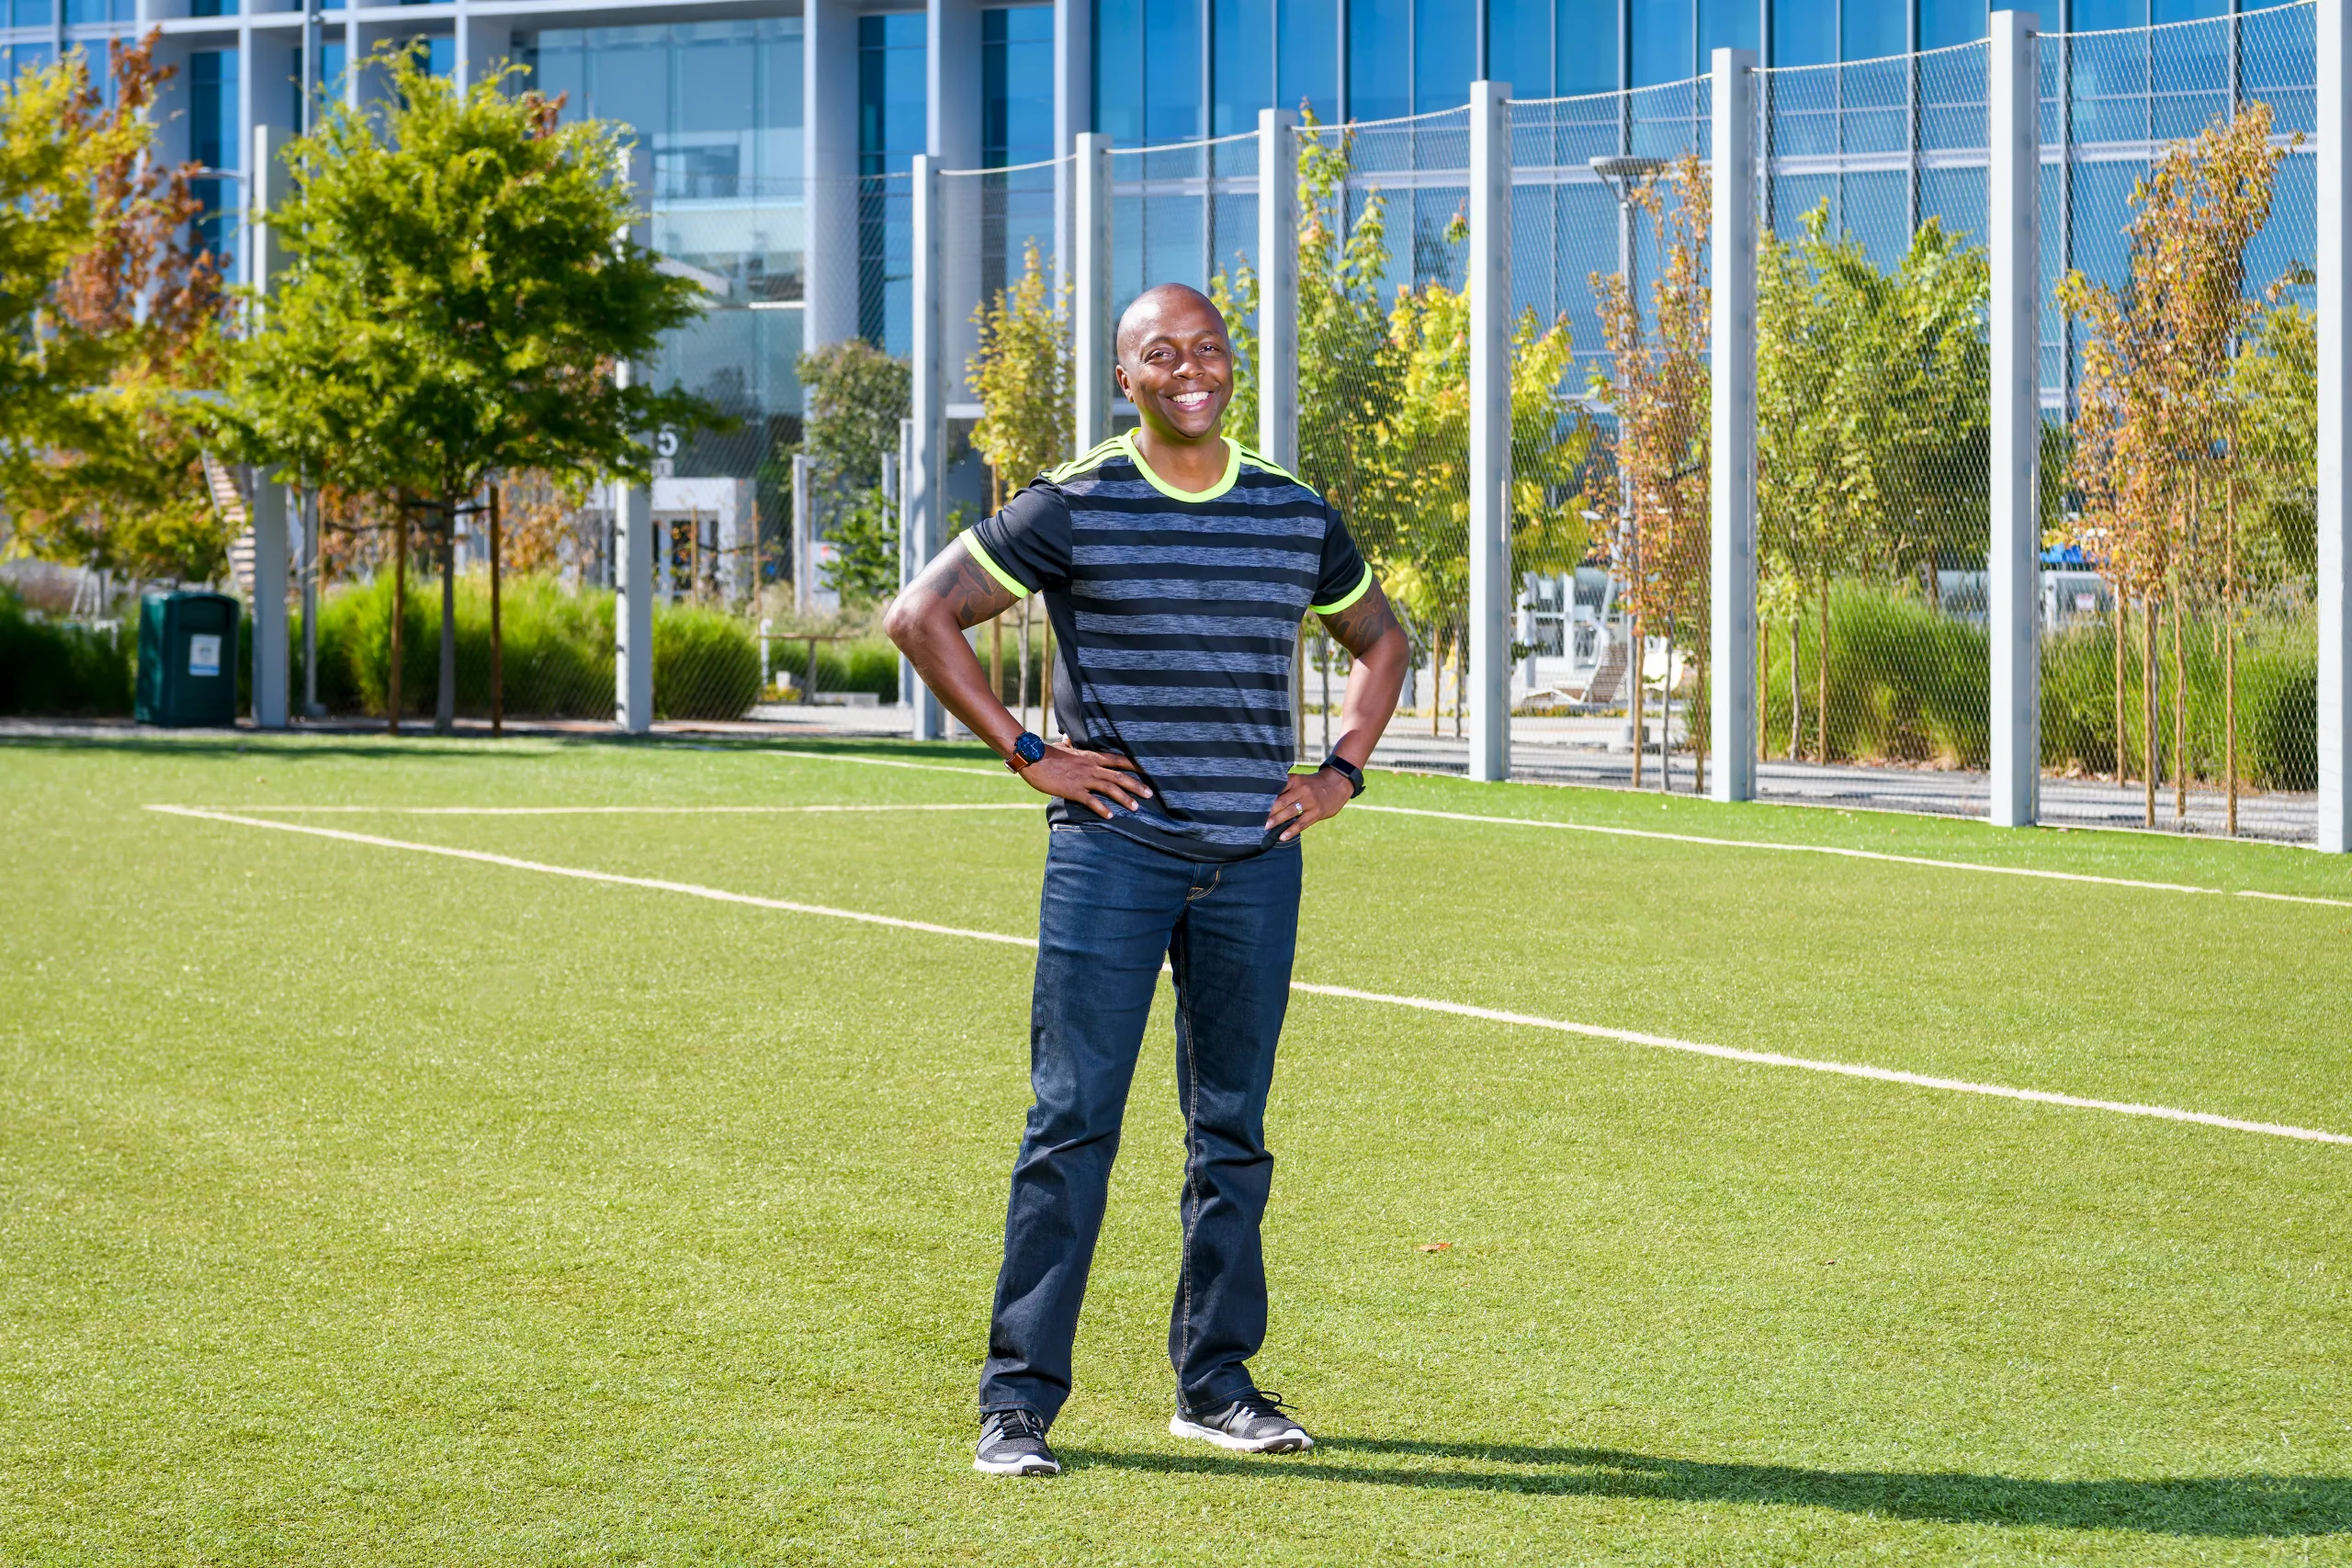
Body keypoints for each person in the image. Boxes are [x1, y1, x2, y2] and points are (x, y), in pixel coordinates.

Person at [884, 282, 1408, 1478]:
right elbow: (920, 616)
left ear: (1235, 364)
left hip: (1254, 864)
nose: (1191, 369)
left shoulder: (1291, 510)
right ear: (1125, 378)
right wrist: (1028, 751)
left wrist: (1338, 774)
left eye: (1209, 349)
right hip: (1112, 855)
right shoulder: (1076, 502)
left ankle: (1215, 1387)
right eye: (1160, 353)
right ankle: (1016, 1406)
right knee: (1072, 1124)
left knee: (1232, 1135)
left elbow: (1383, 638)